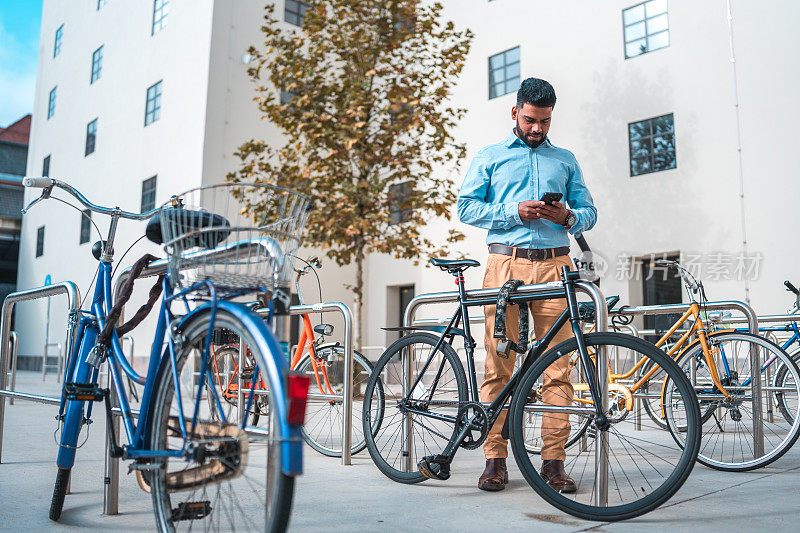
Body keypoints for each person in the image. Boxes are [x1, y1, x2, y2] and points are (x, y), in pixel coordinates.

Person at [457, 77, 597, 493]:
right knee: (499, 365)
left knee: (559, 367)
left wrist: (568, 218)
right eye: (532, 119)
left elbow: (589, 210)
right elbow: (466, 207)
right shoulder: (490, 156)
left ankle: (554, 463)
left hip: (556, 268)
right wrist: (514, 211)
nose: (538, 128)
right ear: (515, 112)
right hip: (506, 267)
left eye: (546, 121)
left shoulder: (566, 159)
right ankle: (495, 460)